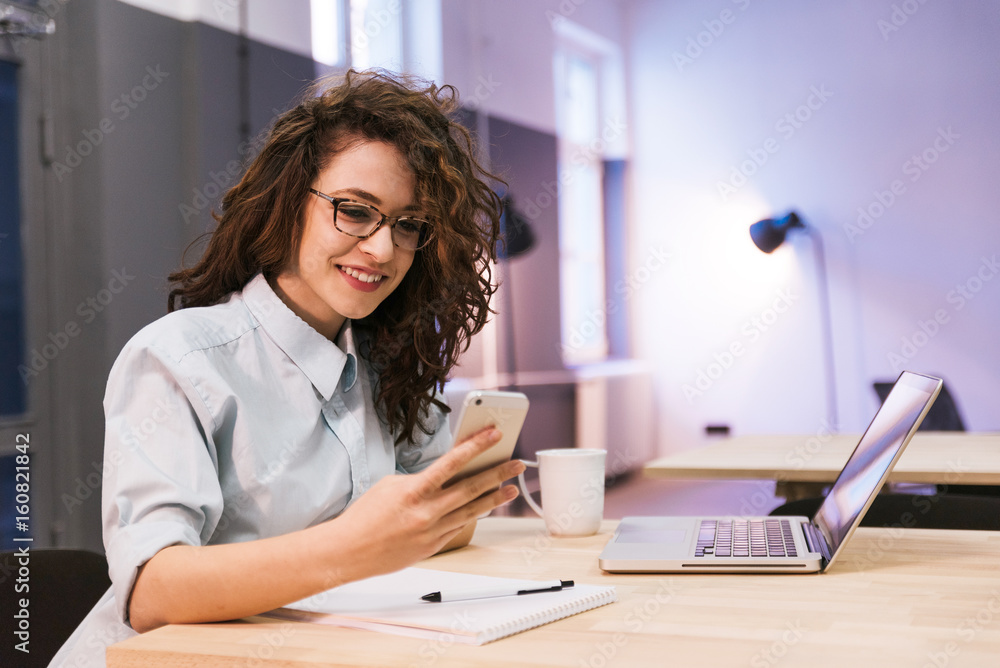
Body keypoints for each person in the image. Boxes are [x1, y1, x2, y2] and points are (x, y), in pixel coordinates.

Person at [51, 69, 524, 667]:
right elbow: (152, 592)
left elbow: (433, 525)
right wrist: (353, 545)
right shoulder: (178, 359)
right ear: (288, 202)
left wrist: (451, 501)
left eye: (408, 225)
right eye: (354, 211)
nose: (382, 249)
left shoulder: (384, 365)